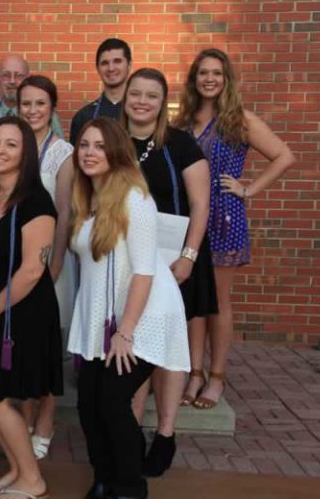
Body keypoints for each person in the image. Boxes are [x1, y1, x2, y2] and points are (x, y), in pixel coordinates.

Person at [68, 118, 189, 499]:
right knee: (88, 401)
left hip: (144, 314)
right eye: (84, 145)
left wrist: (126, 331)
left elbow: (143, 270)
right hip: (102, 315)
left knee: (111, 399)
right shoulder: (87, 198)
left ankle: (130, 485)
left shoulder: (135, 198)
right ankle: (104, 477)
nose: (89, 152)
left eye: (99, 146)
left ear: (117, 152)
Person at [173, 49, 296, 410]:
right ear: (194, 79)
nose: (209, 79)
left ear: (226, 79)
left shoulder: (238, 120)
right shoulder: (183, 121)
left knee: (217, 302)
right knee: (194, 300)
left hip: (224, 216)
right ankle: (193, 373)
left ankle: (216, 378)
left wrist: (248, 188)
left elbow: (284, 155)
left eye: (217, 73)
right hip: (191, 218)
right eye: (203, 73)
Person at [120, 68, 217, 477]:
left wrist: (189, 257)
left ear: (163, 103)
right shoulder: (112, 140)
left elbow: (200, 203)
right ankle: (129, 432)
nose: (142, 101)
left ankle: (165, 432)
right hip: (126, 259)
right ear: (125, 97)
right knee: (135, 343)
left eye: (151, 96)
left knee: (168, 347)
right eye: (135, 94)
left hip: (176, 257)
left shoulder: (179, 144)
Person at [0, 116, 62, 499]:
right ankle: (18, 469)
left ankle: (32, 480)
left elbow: (31, 270)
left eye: (11, 144)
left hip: (22, 313)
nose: (0, 150)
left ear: (26, 154)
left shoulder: (36, 202)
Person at [17, 74, 75, 459]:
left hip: (51, 262)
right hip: (16, 261)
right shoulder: (10, 145)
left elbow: (67, 210)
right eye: (26, 104)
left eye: (40, 103)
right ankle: (21, 420)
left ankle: (46, 420)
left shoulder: (63, 152)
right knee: (22, 343)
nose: (33, 110)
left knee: (49, 344)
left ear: (52, 108)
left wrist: (55, 262)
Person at [0, 54, 64, 140]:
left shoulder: (46, 118)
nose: (12, 81)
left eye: (18, 76)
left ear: (27, 79)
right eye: (6, 75)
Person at [68, 38, 132, 145]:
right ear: (97, 68)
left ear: (129, 65)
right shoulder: (83, 117)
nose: (111, 68)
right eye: (105, 63)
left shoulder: (142, 112)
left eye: (117, 61)